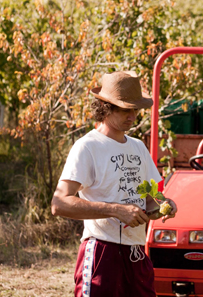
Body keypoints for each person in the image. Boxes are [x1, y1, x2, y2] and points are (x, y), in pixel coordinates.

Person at [51, 71, 176, 297]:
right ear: (106, 108)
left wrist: (164, 204)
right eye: (126, 109)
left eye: (135, 109)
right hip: (101, 251)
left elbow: (152, 195)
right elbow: (59, 203)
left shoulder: (138, 147)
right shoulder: (87, 147)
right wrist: (116, 210)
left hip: (136, 253)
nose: (133, 116)